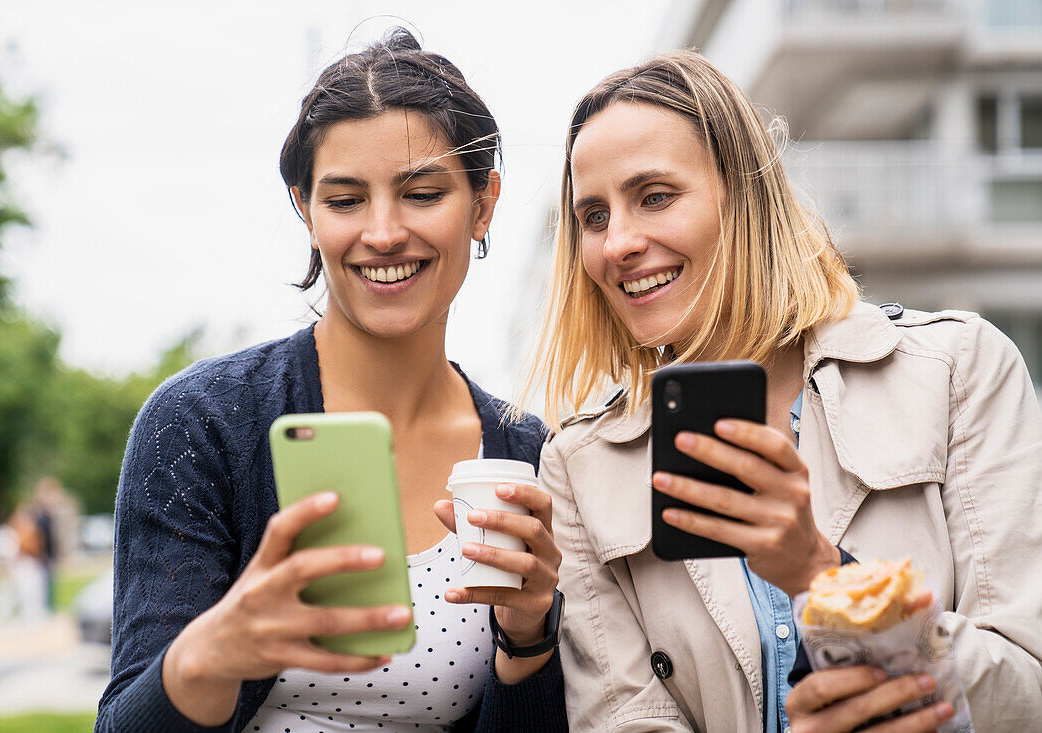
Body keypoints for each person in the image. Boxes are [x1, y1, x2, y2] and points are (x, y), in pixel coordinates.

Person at [526, 50, 1042, 732]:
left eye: (654, 196)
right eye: (593, 216)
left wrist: (824, 572)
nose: (617, 242)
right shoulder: (581, 465)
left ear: (745, 198)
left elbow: (1027, 692)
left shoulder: (959, 369)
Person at [96, 29, 567, 733]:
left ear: (483, 203)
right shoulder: (199, 423)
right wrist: (215, 649)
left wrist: (529, 635)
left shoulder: (527, 450)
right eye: (345, 200)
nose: (382, 232)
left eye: (422, 192)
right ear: (306, 211)